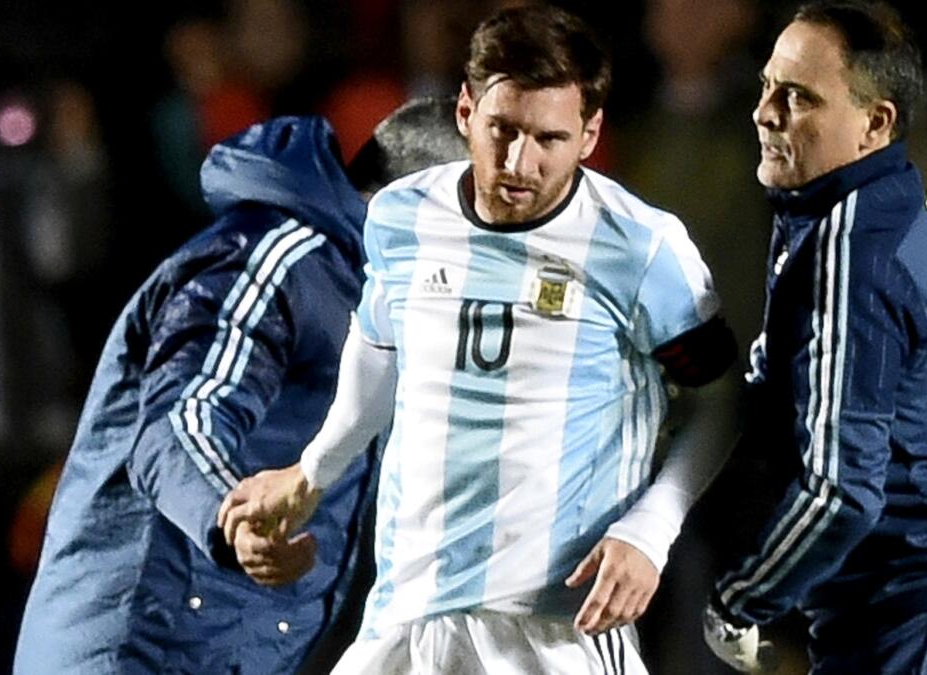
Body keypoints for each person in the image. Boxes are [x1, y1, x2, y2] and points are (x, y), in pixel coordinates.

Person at [217, 5, 740, 673]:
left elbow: (721, 398)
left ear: (590, 133)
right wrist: (312, 471)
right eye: (504, 129)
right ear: (465, 111)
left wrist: (649, 531)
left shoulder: (640, 249)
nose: (521, 161)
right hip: (407, 611)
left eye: (549, 138)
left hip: (552, 625)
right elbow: (379, 353)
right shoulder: (402, 217)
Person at [12, 98, 468, 674]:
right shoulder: (277, 259)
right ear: (421, 204)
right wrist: (237, 515)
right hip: (138, 646)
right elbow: (180, 422)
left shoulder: (378, 301)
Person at [703, 2, 927, 673]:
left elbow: (841, 490)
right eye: (766, 86)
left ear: (875, 124)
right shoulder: (858, 220)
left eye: (798, 96)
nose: (765, 112)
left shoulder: (854, 242)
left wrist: (742, 599)